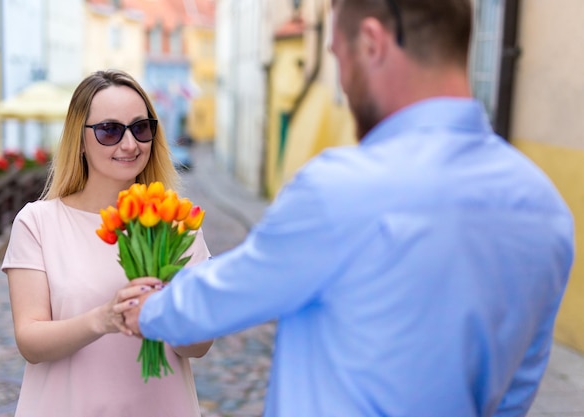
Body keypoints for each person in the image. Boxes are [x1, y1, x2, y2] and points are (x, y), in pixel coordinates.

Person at [121, 1, 575, 416]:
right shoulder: (544, 207)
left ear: (373, 43)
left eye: (339, 56)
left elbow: (226, 294)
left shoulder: (342, 188)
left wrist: (148, 310)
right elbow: (517, 387)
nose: (341, 79)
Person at [1, 69, 213, 417]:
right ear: (80, 140)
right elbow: (30, 341)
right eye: (110, 130)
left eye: (140, 128)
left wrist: (168, 315)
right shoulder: (38, 223)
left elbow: (199, 346)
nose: (129, 144)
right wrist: (103, 319)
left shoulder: (177, 222)